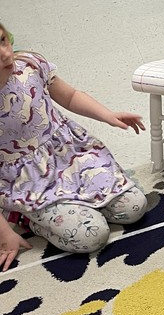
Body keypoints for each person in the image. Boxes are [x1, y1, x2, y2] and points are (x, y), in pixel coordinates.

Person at [0, 23, 147, 269]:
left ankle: (77, 204)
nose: (5, 52)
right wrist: (5, 234)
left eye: (3, 40)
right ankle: (22, 215)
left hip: (69, 155)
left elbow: (69, 96)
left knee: (134, 208)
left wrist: (108, 115)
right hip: (27, 182)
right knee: (92, 236)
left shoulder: (30, 65)